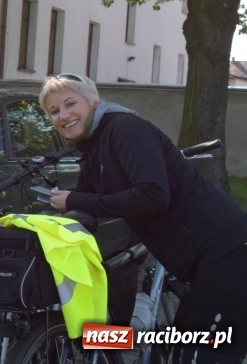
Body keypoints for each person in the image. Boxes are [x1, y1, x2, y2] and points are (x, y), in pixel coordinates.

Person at [40, 73, 247, 364]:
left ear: (93, 101)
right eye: (54, 111)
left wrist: (75, 199)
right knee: (180, 350)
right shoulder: (92, 148)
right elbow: (85, 200)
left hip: (227, 254)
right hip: (203, 264)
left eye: (70, 103)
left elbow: (152, 195)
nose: (64, 115)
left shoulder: (125, 129)